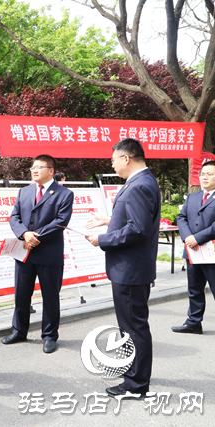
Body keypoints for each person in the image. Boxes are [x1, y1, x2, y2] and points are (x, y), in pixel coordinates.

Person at [86, 138, 160, 398]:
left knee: (133, 327)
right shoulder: (141, 181)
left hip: (130, 269)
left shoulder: (139, 185)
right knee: (131, 325)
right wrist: (109, 220)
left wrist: (103, 239)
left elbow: (138, 229)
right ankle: (135, 372)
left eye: (113, 160)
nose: (112, 165)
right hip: (131, 268)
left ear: (126, 158)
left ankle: (136, 384)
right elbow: (136, 219)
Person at [2, 155, 74, 354]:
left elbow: (61, 222)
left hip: (49, 253)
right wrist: (24, 234)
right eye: (32, 167)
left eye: (39, 167)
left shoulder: (64, 194)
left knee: (50, 296)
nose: (34, 170)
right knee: (21, 294)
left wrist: (35, 236)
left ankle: (50, 335)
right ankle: (19, 331)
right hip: (24, 251)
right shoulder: (24, 191)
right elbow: (14, 217)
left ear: (51, 171)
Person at [172, 160, 215, 334]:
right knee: (194, 289)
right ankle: (193, 323)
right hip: (193, 252)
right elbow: (181, 217)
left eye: (210, 174)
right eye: (202, 174)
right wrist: (188, 237)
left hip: (212, 252)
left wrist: (197, 238)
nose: (205, 177)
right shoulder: (193, 196)